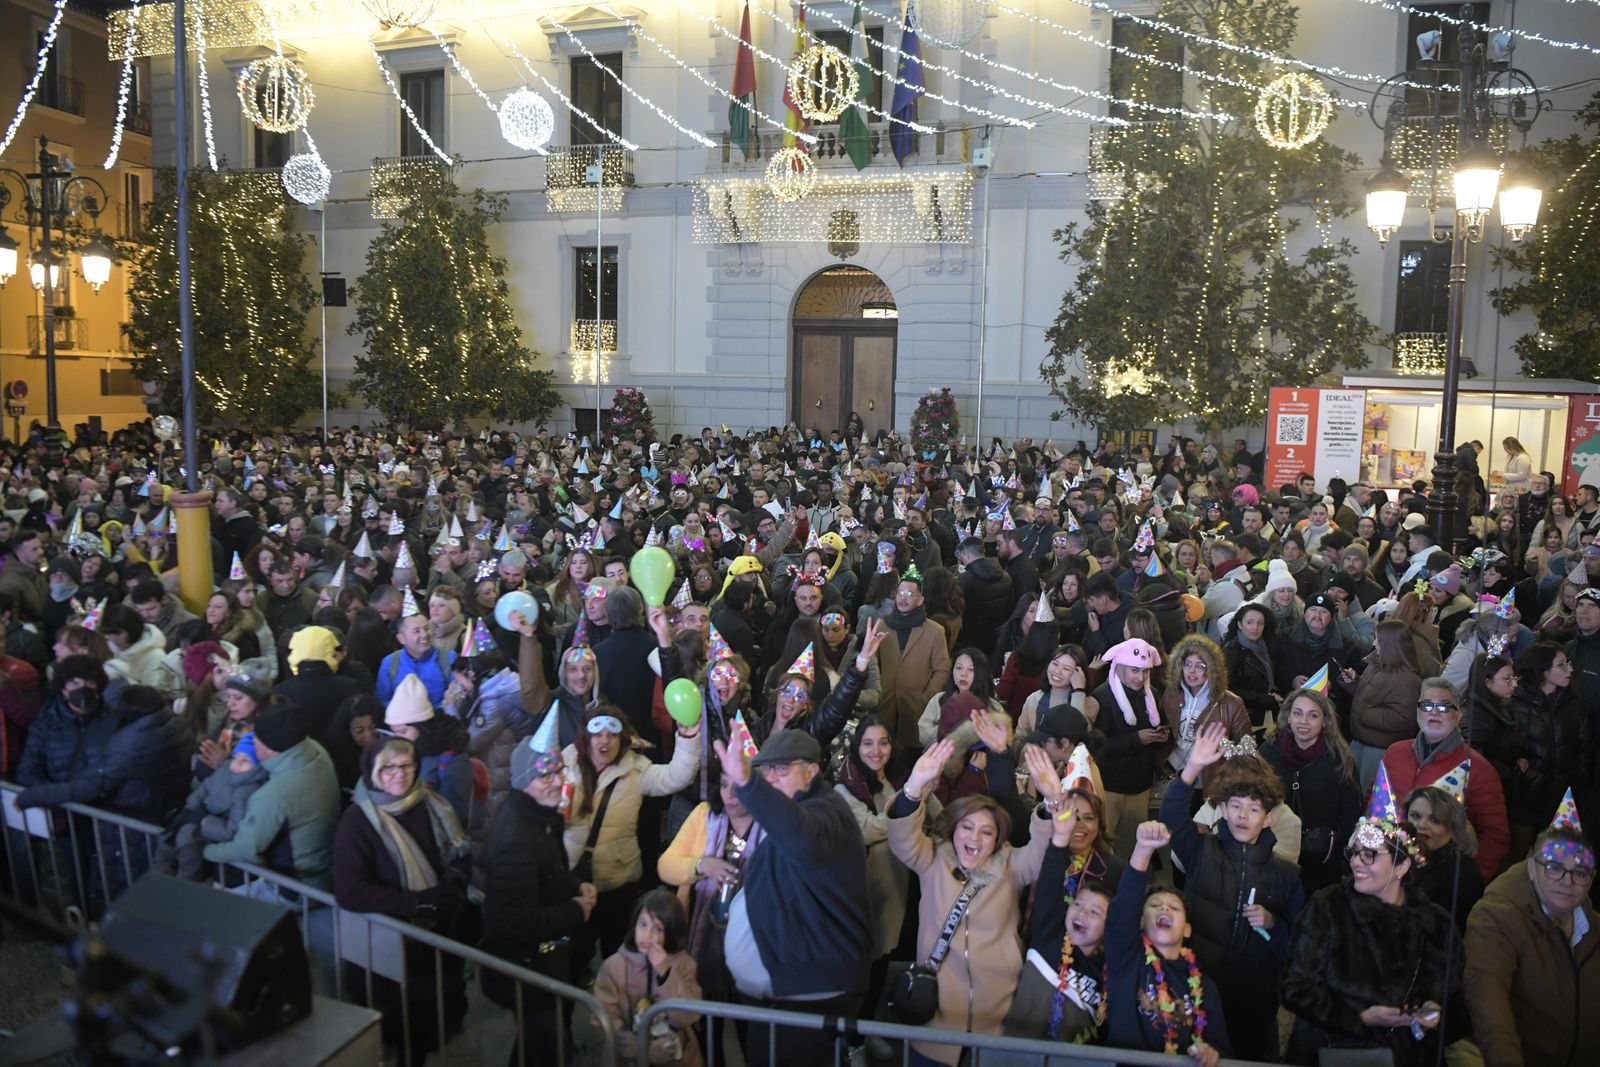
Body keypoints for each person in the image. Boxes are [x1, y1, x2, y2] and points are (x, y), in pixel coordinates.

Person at [888, 735, 1052, 1066]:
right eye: (967, 827)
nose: (974, 838)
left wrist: (1051, 801)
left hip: (997, 1022)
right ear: (954, 830)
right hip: (934, 1019)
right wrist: (913, 788)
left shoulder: (1011, 864)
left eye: (986, 832)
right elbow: (902, 837)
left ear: (998, 838)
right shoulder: (933, 859)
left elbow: (1044, 849)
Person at [712, 728, 872, 1067]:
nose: (770, 778)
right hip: (791, 994)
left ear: (812, 771)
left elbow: (803, 839)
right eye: (764, 770)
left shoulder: (827, 813)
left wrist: (749, 785)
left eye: (782, 769)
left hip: (809, 996)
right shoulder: (802, 807)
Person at [1280, 789, 1464, 1067]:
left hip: (1407, 1056)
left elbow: (1458, 1003)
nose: (1355, 862)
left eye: (1368, 855)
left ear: (1401, 866)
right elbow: (1295, 988)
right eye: (1354, 852)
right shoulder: (1327, 908)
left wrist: (1435, 1015)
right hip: (1330, 1051)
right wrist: (1359, 1015)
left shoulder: (1436, 924)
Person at [1160, 723, 1304, 1060]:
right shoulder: (1201, 851)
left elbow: (1299, 944)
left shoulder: (1287, 875)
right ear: (1222, 809)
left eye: (1254, 809)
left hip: (1255, 999)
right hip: (1199, 987)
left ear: (1268, 819)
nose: (1243, 816)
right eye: (1236, 806)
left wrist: (1272, 927)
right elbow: (1171, 817)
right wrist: (1192, 767)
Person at [333, 737, 474, 1066]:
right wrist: (418, 903)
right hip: (392, 944)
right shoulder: (357, 823)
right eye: (389, 767)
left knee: (434, 1009)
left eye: (407, 765)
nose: (399, 774)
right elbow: (350, 890)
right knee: (408, 1024)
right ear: (373, 772)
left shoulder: (432, 804)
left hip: (438, 935)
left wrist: (454, 877)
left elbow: (459, 852)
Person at [480, 732, 597, 1066]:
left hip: (544, 964)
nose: (557, 781)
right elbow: (510, 924)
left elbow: (549, 875)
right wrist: (576, 911)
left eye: (558, 771)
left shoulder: (541, 817)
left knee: (537, 1046)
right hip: (526, 971)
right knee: (548, 1049)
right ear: (523, 781)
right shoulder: (516, 839)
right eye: (545, 774)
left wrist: (576, 887)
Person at [1464, 794, 1599, 1067]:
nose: (1567, 881)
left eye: (1580, 873)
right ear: (1531, 868)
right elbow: (1489, 1005)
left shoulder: (1594, 927)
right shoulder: (1496, 917)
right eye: (1554, 867)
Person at [562, 706, 701, 959]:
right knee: (573, 953)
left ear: (622, 739)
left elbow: (676, 777)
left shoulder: (636, 770)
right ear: (586, 737)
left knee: (616, 953)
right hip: (572, 878)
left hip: (618, 880)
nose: (605, 739)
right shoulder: (566, 763)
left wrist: (688, 740)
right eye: (598, 733)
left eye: (612, 734)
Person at [1103, 821, 1229, 1065]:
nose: (1163, 907)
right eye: (1154, 905)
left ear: (1188, 929)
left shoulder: (1205, 986)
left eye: (1174, 908)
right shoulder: (1126, 960)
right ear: (1140, 922)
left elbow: (1220, 1046)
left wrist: (1211, 1052)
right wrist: (1143, 850)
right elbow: (1123, 909)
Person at [1380, 676, 1509, 880]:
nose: (1433, 712)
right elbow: (1374, 801)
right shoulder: (1395, 753)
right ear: (1417, 712)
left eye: (1444, 707)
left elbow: (1495, 835)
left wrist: (1468, 880)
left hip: (1438, 878)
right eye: (1427, 705)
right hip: (1387, 867)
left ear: (1459, 716)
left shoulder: (1479, 769)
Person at [202, 704, 341, 888]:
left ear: (267, 747)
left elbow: (244, 849)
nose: (250, 739)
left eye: (256, 737)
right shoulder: (314, 750)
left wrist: (205, 850)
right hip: (325, 866)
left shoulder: (273, 795)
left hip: (294, 886)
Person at [1260, 689, 1362, 894]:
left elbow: (1350, 812)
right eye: (1297, 713)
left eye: (1313, 715)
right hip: (1275, 853)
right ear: (1288, 716)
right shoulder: (1268, 752)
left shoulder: (1340, 759)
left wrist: (1339, 853)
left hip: (1322, 857)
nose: (1303, 721)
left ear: (1325, 721)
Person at [590, 889, 704, 1067]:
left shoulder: (684, 965)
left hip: (678, 1057)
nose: (647, 935)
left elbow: (687, 1016)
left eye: (658, 928)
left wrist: (666, 973)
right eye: (642, 924)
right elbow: (604, 1023)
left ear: (672, 933)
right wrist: (644, 1049)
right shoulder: (614, 966)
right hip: (629, 1059)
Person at [1506, 642, 1583, 863]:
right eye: (1562, 665)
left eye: (1568, 663)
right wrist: (1526, 777)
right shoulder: (1515, 704)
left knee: (1552, 859)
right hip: (1526, 797)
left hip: (1561, 797)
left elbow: (1584, 746)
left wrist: (1573, 779)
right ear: (1542, 670)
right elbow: (1510, 750)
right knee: (1518, 857)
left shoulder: (1573, 703)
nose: (1570, 670)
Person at [1091, 638, 1166, 855]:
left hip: (1140, 784)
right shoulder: (1102, 697)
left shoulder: (1152, 695)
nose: (1140, 678)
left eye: (1144, 672)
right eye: (1134, 671)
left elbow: (1156, 726)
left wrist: (1161, 736)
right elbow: (1098, 747)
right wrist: (1136, 739)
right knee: (1103, 843)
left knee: (1132, 844)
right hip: (1110, 784)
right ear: (1120, 667)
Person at [1157, 635, 1250, 776]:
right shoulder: (1172, 694)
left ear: (1212, 670)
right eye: (1187, 664)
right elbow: (1166, 729)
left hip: (1208, 779)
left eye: (1200, 666)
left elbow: (1246, 749)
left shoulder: (1232, 703)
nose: (1192, 671)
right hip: (1173, 772)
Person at [1403, 784, 1484, 931]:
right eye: (1415, 816)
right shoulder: (1395, 854)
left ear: (1452, 827)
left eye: (1434, 820)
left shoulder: (1465, 873)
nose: (1421, 825)